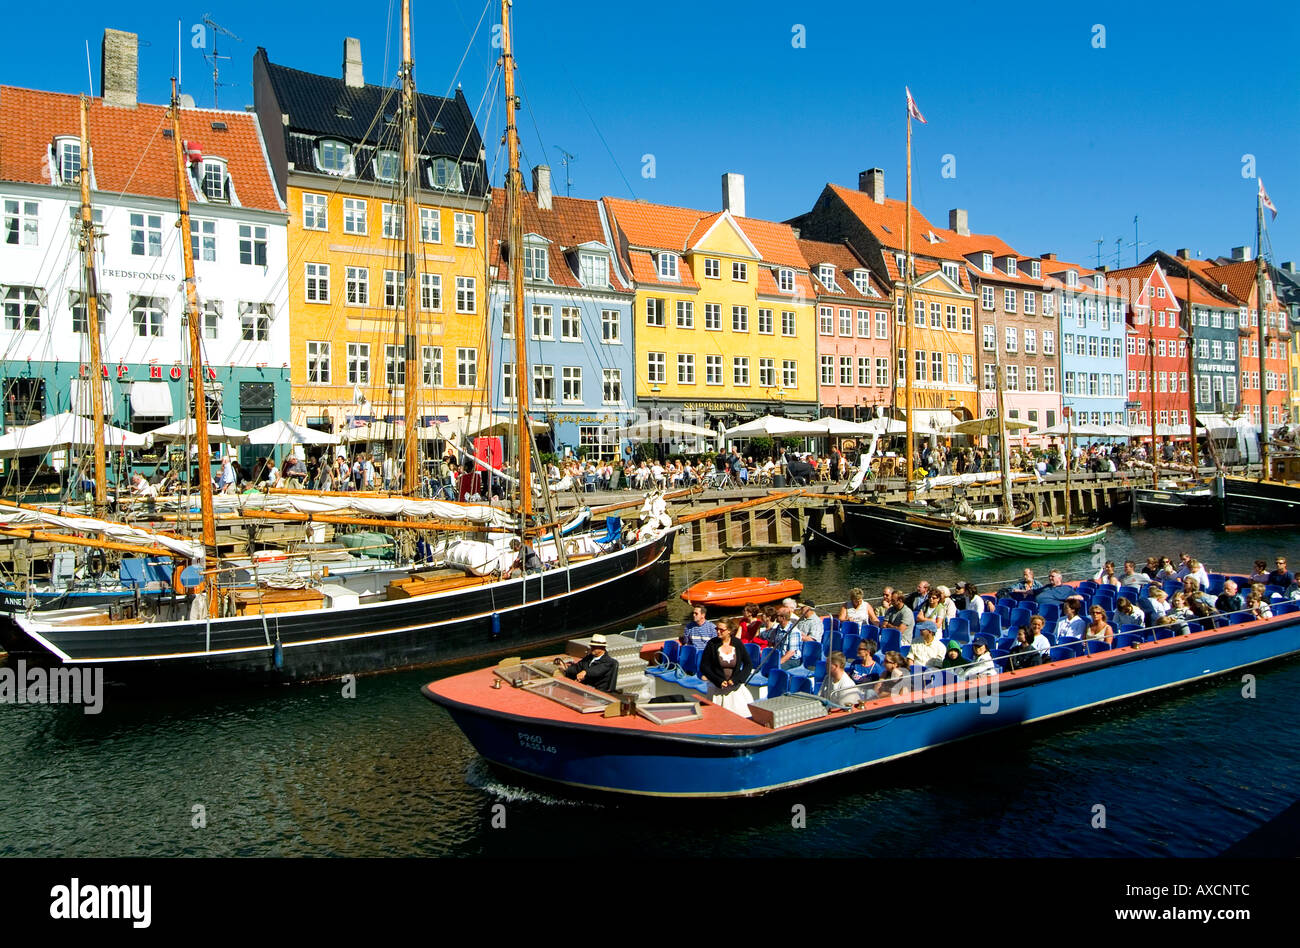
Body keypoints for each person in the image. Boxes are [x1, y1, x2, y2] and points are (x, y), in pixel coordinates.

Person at [699, 617, 752, 697]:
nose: (718, 632)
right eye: (717, 629)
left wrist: (736, 679)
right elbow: (704, 666)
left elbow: (748, 664)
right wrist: (718, 680)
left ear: (729, 631)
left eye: (721, 630)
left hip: (735, 688)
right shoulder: (712, 644)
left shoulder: (737, 643)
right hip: (717, 687)